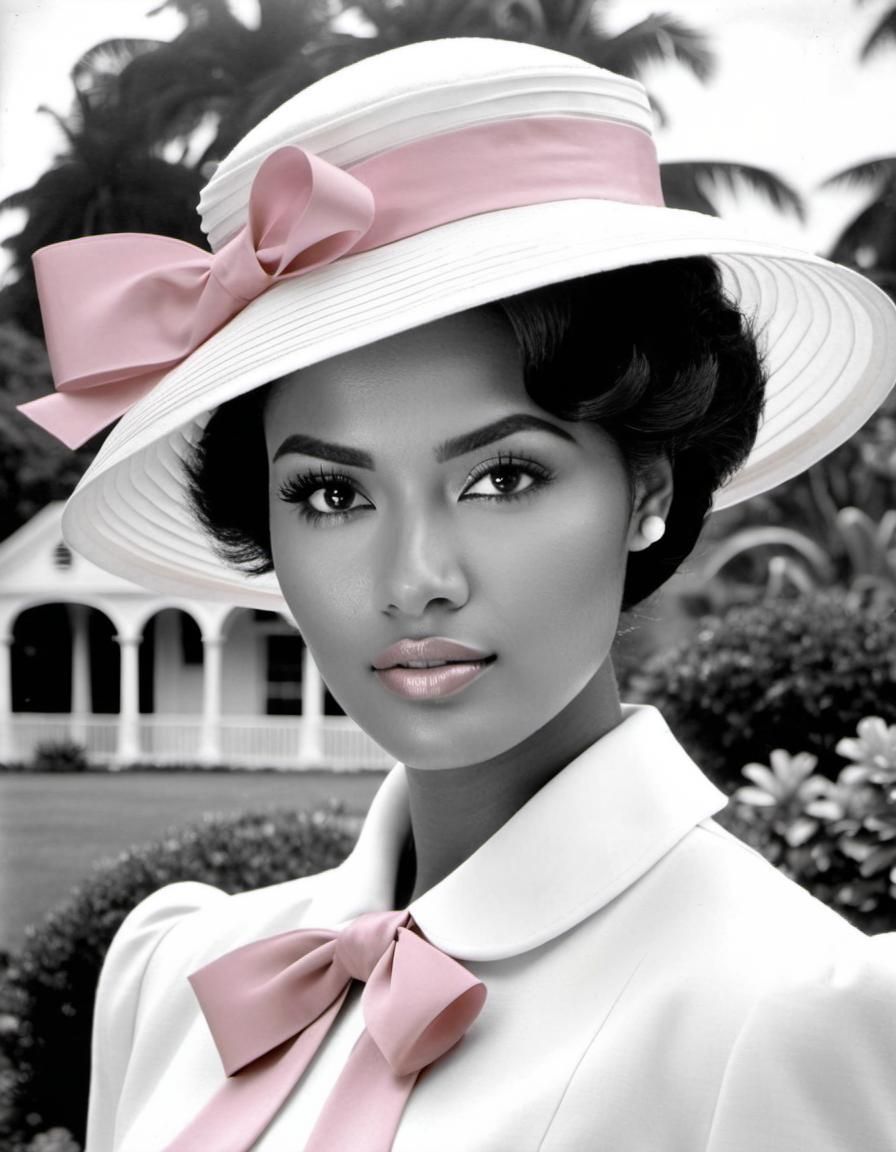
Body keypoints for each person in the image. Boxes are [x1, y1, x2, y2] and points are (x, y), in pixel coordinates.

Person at [19, 36, 896, 1152]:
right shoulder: (177, 976)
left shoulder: (782, 1015)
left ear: (644, 494)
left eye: (501, 477)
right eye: (333, 494)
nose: (411, 581)